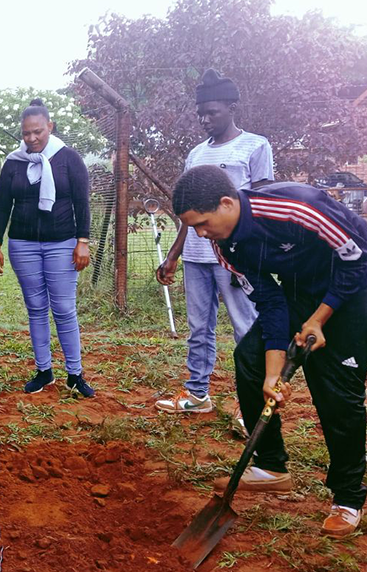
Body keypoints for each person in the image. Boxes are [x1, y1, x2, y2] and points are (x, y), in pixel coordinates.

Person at [173, 165, 367, 537]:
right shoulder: (224, 243)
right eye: (193, 226)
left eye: (203, 223)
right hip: (303, 285)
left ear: (227, 203)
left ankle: (347, 497)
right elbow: (271, 302)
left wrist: (320, 318)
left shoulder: (296, 206)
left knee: (335, 387)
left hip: (362, 283)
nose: (199, 233)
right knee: (250, 359)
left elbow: (360, 257)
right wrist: (273, 373)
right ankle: (273, 467)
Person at [155, 69, 265, 415]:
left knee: (245, 327)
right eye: (200, 113)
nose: (205, 119)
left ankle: (253, 403)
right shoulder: (195, 154)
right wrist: (173, 256)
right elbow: (190, 214)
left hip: (233, 256)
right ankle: (198, 394)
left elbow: (259, 205)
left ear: (231, 107)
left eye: (212, 112)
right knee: (199, 328)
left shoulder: (255, 146)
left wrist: (249, 254)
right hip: (197, 256)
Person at [0, 98, 95, 399]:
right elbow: (3, 206)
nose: (32, 138)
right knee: (36, 308)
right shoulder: (13, 163)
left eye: (38, 131)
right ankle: (44, 370)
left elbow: (81, 203)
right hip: (23, 244)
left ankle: (74, 374)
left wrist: (83, 242)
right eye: (26, 133)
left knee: (63, 309)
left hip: (62, 242)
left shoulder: (68, 158)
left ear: (50, 126)